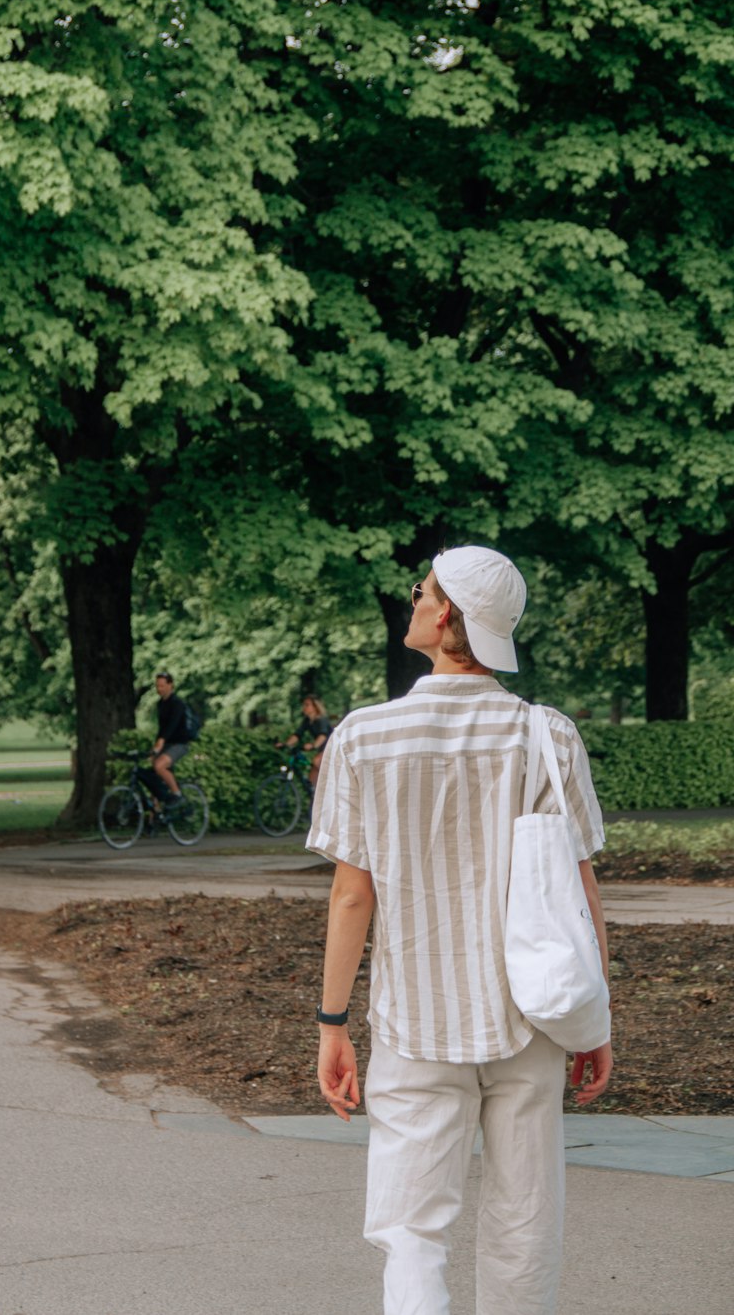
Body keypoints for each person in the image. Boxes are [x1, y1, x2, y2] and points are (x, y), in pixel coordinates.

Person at [307, 545, 612, 1315]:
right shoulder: (547, 735)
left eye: (422, 589)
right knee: (524, 1215)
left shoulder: (363, 738)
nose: (413, 598)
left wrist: (332, 1024)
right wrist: (595, 1021)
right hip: (532, 1016)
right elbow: (579, 886)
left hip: (415, 1021)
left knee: (410, 1228)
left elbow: (352, 897)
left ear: (444, 615)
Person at [146, 672, 190, 810]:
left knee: (159, 766)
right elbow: (162, 727)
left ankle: (177, 794)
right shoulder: (161, 704)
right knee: (153, 777)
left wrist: (161, 741)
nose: (159, 689)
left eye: (162, 686)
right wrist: (156, 747)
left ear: (171, 685)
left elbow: (172, 725)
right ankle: (156, 815)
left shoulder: (177, 703)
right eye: (157, 686)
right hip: (167, 744)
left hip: (179, 744)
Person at [279, 694, 333, 787]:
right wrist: (285, 744)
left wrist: (313, 745)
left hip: (332, 747)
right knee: (311, 780)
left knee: (317, 761)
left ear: (315, 707)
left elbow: (322, 736)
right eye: (304, 705)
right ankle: (314, 797)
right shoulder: (307, 721)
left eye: (307, 705)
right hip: (323, 749)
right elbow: (297, 735)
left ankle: (333, 783)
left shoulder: (321, 719)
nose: (304, 707)